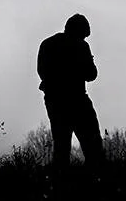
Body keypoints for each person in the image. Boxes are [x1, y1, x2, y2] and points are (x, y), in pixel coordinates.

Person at [37, 13, 105, 169]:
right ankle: (96, 179)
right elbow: (91, 74)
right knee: (92, 144)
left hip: (54, 100)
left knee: (61, 145)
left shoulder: (47, 44)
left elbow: (42, 72)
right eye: (84, 35)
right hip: (78, 100)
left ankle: (61, 182)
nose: (84, 39)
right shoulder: (81, 46)